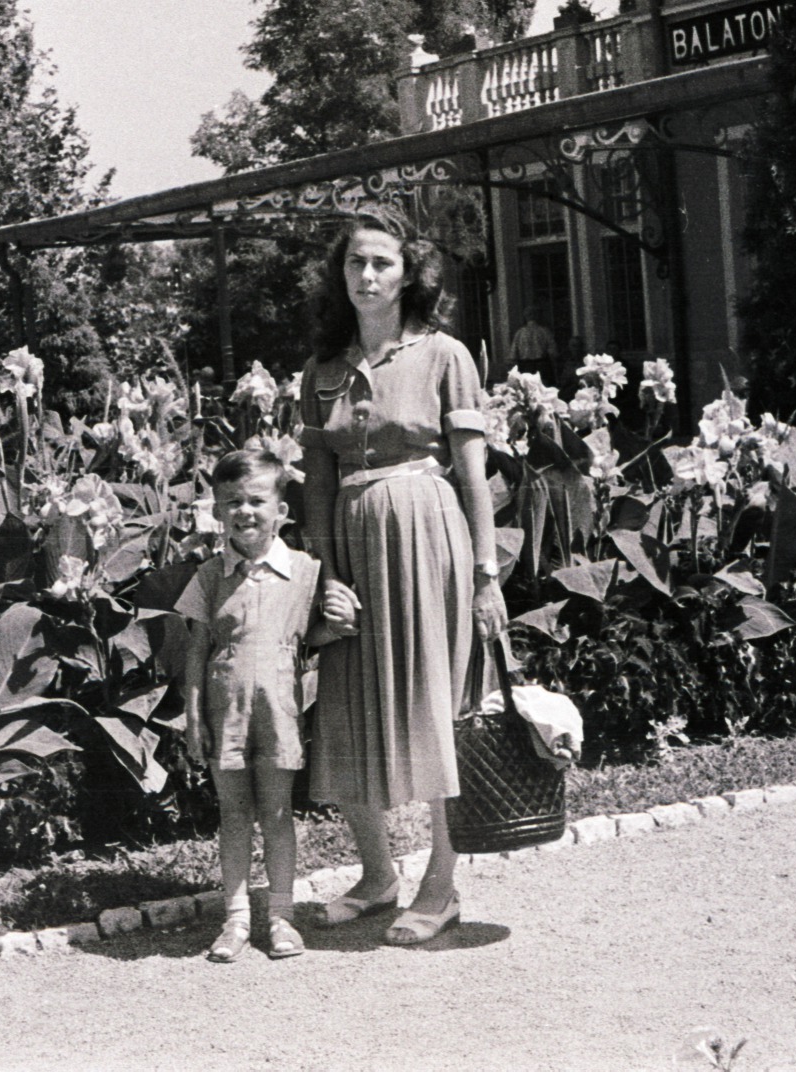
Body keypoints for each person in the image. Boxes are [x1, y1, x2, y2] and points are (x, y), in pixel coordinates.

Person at [298, 204, 508, 946]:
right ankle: (377, 874)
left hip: (426, 532)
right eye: (355, 262)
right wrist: (322, 575)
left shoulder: (445, 355)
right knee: (347, 707)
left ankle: (442, 884)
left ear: (408, 272)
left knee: (436, 702)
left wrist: (486, 575)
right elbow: (317, 481)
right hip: (351, 551)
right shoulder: (322, 372)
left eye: (381, 262)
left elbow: (474, 475)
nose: (367, 275)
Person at [176, 449, 359, 962]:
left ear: (282, 510)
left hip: (278, 711)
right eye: (232, 501)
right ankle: (235, 920)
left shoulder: (304, 571)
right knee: (234, 813)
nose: (245, 511)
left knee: (277, 813)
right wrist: (193, 716)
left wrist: (340, 624)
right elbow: (196, 649)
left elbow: (313, 633)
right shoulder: (211, 576)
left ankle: (281, 916)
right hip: (223, 711)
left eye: (257, 500)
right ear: (216, 510)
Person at [508, 305, 558, 384]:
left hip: (525, 366)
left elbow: (513, 355)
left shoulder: (520, 333)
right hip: (541, 366)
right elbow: (553, 352)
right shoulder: (544, 332)